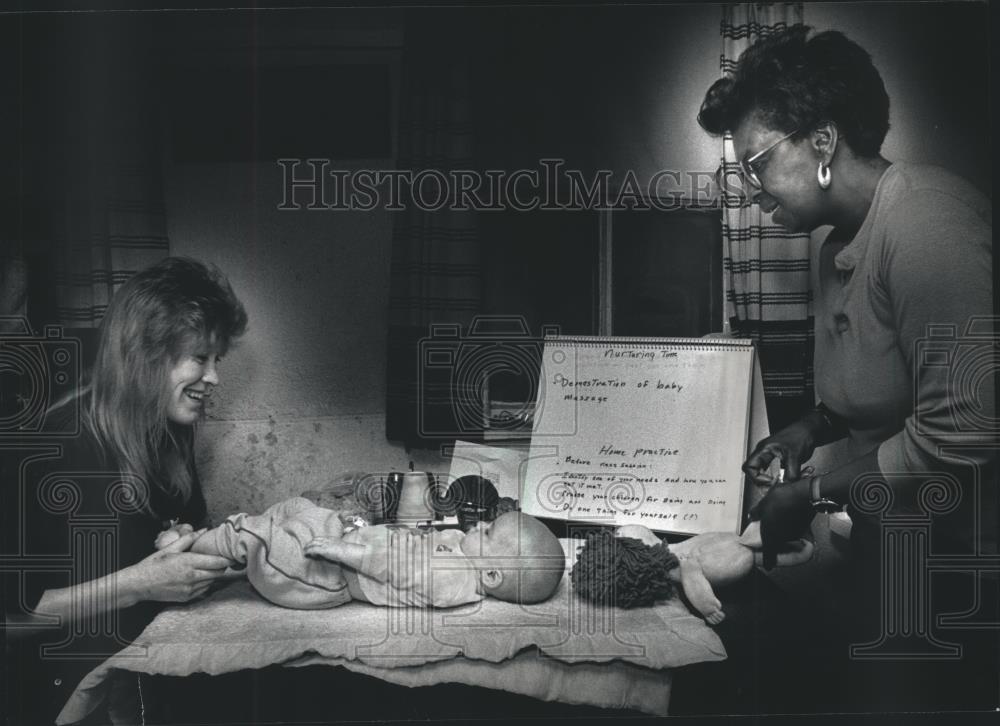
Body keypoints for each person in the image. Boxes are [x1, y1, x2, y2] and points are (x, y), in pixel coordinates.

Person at [696, 25, 995, 712]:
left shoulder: (927, 224)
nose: (750, 189)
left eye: (757, 164)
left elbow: (967, 434)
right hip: (889, 543)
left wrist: (811, 492)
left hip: (959, 565)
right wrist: (805, 429)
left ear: (822, 143)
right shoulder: (833, 245)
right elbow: (876, 390)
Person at [2, 257, 247, 724]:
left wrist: (192, 542)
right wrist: (139, 584)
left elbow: (166, 534)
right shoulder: (58, 445)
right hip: (64, 694)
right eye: (200, 358)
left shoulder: (171, 430)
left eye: (218, 360)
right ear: (146, 356)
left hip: (142, 669)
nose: (214, 378)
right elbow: (9, 622)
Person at [176, 497, 566, 608]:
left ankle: (186, 546)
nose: (480, 525)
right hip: (342, 545)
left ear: (492, 575)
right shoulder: (461, 553)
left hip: (327, 576)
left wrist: (342, 549)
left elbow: (395, 565)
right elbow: (398, 539)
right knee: (296, 506)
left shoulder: (451, 578)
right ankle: (215, 551)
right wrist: (357, 528)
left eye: (489, 532)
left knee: (256, 537)